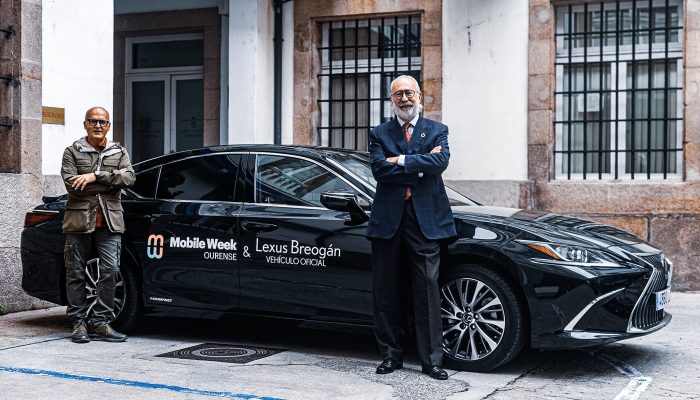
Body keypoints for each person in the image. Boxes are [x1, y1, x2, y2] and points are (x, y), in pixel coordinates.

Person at [367, 75, 456, 380]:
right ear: (391, 100)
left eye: (409, 93)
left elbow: (440, 162)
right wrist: (418, 164)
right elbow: (380, 170)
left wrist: (400, 160)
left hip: (425, 221)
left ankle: (432, 361)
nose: (404, 99)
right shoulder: (379, 132)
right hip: (388, 220)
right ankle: (390, 356)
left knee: (427, 289)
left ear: (420, 96)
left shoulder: (437, 130)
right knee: (386, 290)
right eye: (397, 95)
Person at [61, 107, 136, 343]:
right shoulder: (72, 152)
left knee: (111, 271)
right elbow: (73, 185)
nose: (98, 126)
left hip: (110, 221)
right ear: (85, 124)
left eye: (102, 122)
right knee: (75, 273)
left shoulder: (119, 151)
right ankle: (78, 323)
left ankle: (101, 322)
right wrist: (112, 182)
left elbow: (129, 178)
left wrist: (94, 177)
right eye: (93, 121)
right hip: (78, 221)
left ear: (109, 126)